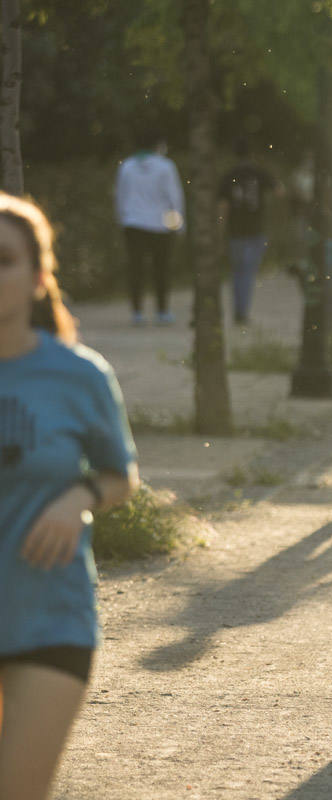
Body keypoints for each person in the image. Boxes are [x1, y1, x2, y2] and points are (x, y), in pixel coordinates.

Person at [0, 193, 139, 800]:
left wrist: (77, 494)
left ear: (36, 277)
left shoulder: (80, 375)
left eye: (3, 259)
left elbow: (120, 475)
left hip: (50, 617)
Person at [114, 132, 185, 326]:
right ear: (158, 145)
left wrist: (122, 220)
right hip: (160, 224)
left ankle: (137, 312)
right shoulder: (166, 166)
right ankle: (162, 311)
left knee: (136, 269)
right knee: (161, 269)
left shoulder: (127, 166)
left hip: (133, 223)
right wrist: (179, 224)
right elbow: (174, 198)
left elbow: (120, 196)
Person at [217, 137, 283, 325]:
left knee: (237, 272)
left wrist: (220, 229)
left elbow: (223, 206)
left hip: (235, 230)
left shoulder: (229, 175)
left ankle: (239, 309)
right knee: (248, 271)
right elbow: (279, 190)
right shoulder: (259, 172)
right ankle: (242, 312)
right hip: (255, 228)